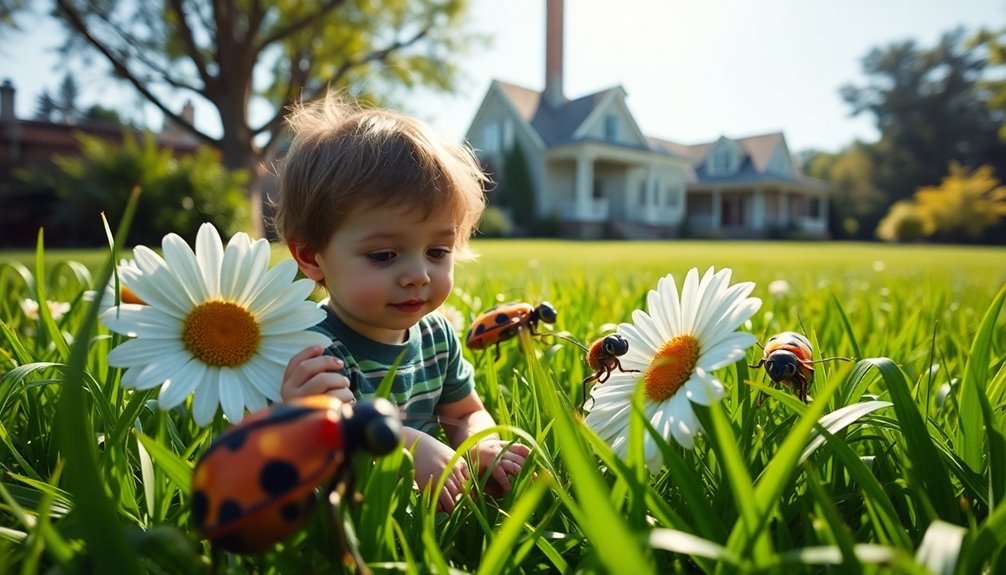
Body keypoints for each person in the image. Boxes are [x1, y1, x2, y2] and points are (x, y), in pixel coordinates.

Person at [273, 92, 530, 513]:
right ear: (310, 257)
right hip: (352, 523)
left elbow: (466, 412)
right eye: (383, 256)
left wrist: (479, 443)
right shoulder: (314, 347)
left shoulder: (437, 335)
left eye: (437, 252)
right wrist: (412, 448)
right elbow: (341, 431)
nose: (419, 275)